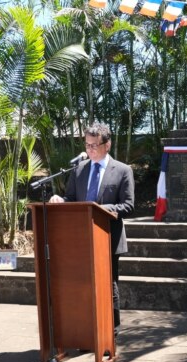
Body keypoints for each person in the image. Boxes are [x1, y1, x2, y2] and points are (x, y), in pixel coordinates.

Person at [48, 122, 135, 336]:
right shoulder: (78, 170)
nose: (90, 149)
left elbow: (128, 205)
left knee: (108, 283)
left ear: (107, 145)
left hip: (108, 236)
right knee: (81, 284)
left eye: (94, 145)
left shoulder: (123, 170)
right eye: (87, 145)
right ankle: (85, 326)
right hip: (80, 238)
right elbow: (71, 198)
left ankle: (110, 331)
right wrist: (61, 199)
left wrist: (98, 209)